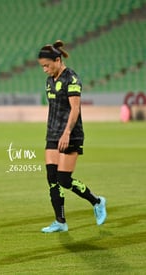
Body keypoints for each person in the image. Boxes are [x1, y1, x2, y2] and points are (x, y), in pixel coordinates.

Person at [37, 40, 107, 233]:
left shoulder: (72, 79)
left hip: (70, 135)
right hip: (52, 134)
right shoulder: (50, 81)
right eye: (42, 66)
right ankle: (60, 222)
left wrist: (66, 132)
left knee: (64, 180)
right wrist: (54, 131)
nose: (44, 70)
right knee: (52, 178)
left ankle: (97, 201)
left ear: (58, 60)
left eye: (47, 66)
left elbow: (75, 109)